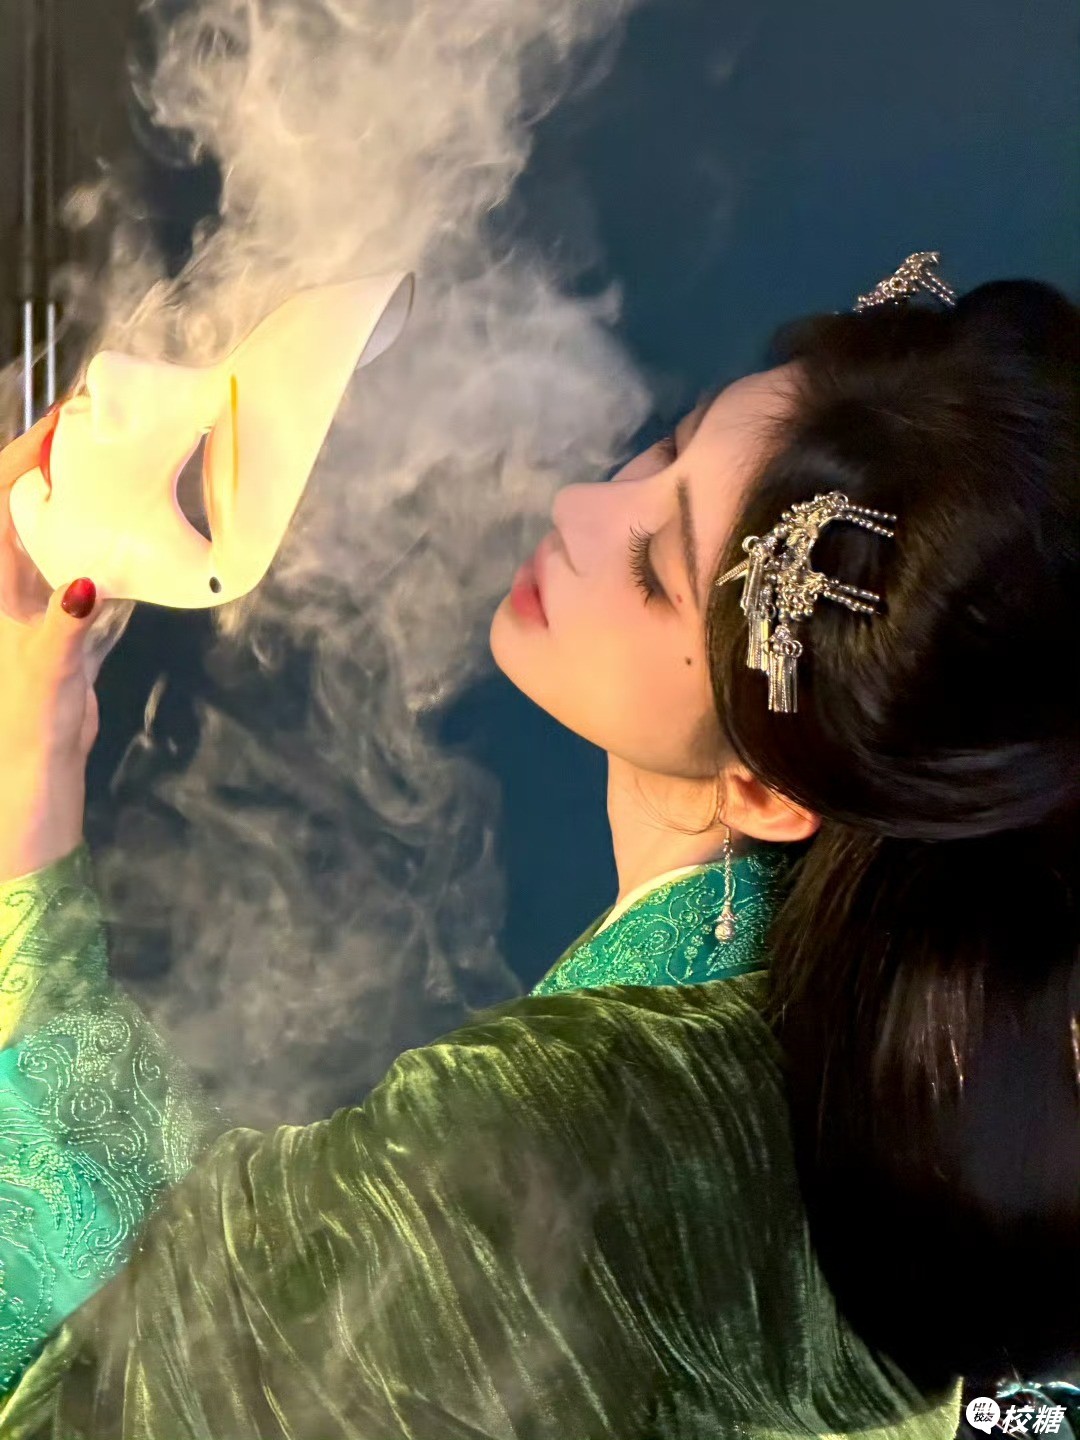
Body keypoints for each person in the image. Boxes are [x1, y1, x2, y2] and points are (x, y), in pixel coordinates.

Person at [0, 258, 1076, 1439]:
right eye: (663, 451)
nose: (582, 508)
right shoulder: (858, 1072)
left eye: (655, 572)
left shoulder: (570, 1143)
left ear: (766, 788)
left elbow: (142, 1367)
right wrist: (36, 765)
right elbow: (253, 1294)